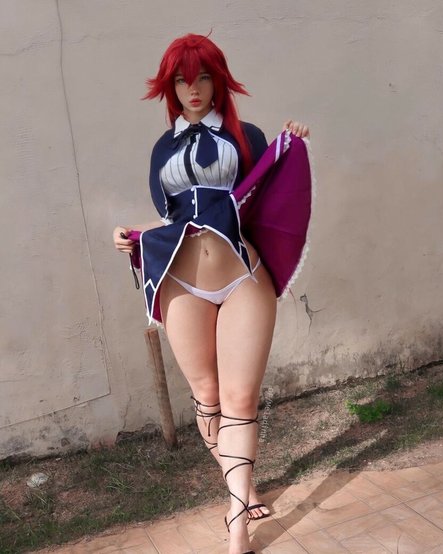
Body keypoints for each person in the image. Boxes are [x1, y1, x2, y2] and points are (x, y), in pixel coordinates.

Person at [113, 33, 310, 554]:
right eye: (182, 80)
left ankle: (237, 522)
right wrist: (128, 234)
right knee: (207, 396)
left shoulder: (247, 135)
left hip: (243, 274)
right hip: (182, 280)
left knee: (241, 400)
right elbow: (171, 220)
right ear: (170, 87)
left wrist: (291, 143)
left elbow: (273, 189)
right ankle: (241, 485)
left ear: (218, 80)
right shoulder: (163, 148)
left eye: (203, 77)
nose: (193, 89)